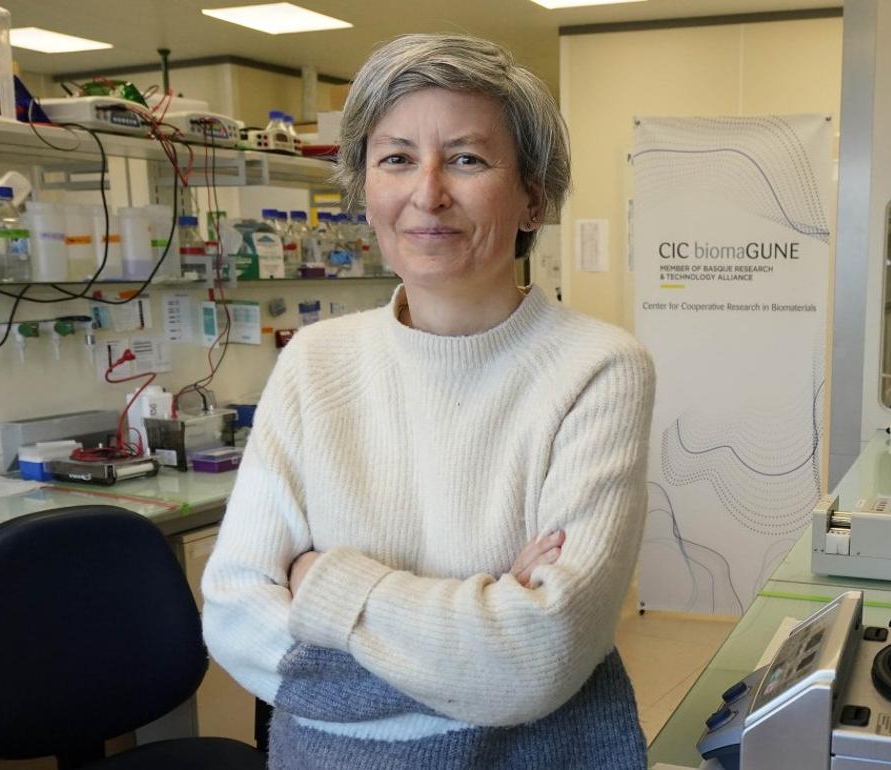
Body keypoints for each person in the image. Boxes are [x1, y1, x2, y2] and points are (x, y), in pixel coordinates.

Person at [202, 33, 655, 769]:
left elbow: (541, 657)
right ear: (365, 186)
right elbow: (235, 618)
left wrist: (327, 584)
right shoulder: (317, 361)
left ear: (533, 198)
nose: (427, 192)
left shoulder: (599, 368)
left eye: (467, 158)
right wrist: (484, 617)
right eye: (397, 158)